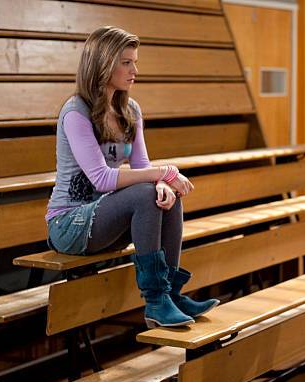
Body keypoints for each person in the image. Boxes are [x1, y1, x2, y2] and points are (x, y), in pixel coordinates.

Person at [45, 26, 219, 328]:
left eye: (134, 62)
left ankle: (171, 294)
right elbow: (101, 179)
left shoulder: (130, 109)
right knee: (146, 193)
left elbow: (141, 165)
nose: (134, 70)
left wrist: (164, 183)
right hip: (69, 222)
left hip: (106, 219)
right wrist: (165, 172)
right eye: (126, 62)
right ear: (103, 63)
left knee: (166, 197)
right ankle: (155, 302)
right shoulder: (76, 111)